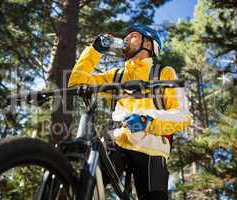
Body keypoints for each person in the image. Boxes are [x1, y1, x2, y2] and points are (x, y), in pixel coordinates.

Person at [68, 24, 192, 200]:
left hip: (151, 147)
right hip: (116, 142)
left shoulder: (163, 73)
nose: (126, 39)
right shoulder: (117, 75)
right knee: (86, 187)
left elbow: (183, 115)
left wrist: (148, 120)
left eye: (133, 36)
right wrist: (94, 51)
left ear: (148, 44)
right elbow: (76, 83)